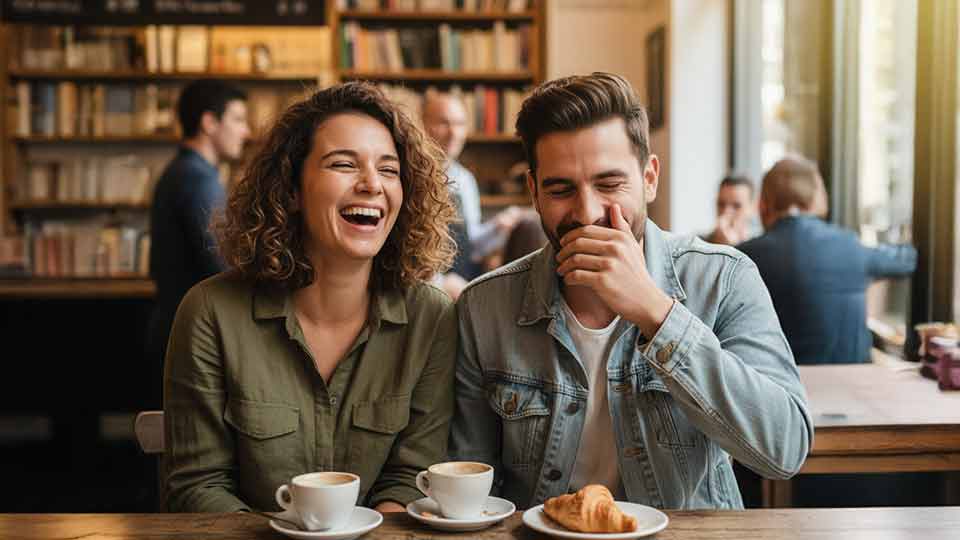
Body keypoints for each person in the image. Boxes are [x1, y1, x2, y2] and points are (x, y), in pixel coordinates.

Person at [449, 72, 812, 510]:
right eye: (561, 189)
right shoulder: (483, 307)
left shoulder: (723, 278)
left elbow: (785, 451)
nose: (587, 212)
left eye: (609, 184)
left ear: (649, 178)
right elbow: (469, 488)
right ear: (534, 192)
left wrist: (657, 314)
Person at [163, 82, 459, 513]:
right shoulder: (210, 312)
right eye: (343, 164)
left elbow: (410, 479)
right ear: (292, 189)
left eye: (390, 169)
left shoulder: (431, 318)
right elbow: (197, 487)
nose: (372, 184)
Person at [738, 156, 917, 364]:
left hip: (781, 390)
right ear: (817, 199)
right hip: (851, 387)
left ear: (762, 204)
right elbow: (908, 259)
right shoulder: (849, 246)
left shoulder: (744, 258)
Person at [146, 80, 251, 405]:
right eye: (237, 119)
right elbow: (224, 265)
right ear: (209, 123)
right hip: (192, 337)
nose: (246, 132)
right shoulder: (198, 179)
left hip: (175, 326)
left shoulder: (182, 171)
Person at [421, 90, 523, 298]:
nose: (453, 133)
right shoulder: (410, 176)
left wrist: (498, 227)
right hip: (430, 287)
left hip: (464, 282)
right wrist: (443, 283)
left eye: (459, 124)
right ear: (422, 125)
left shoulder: (465, 179)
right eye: (444, 123)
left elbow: (471, 244)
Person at [703, 175, 756, 245]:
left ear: (752, 208)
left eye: (736, 206)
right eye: (721, 204)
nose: (726, 212)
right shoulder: (699, 245)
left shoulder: (760, 247)